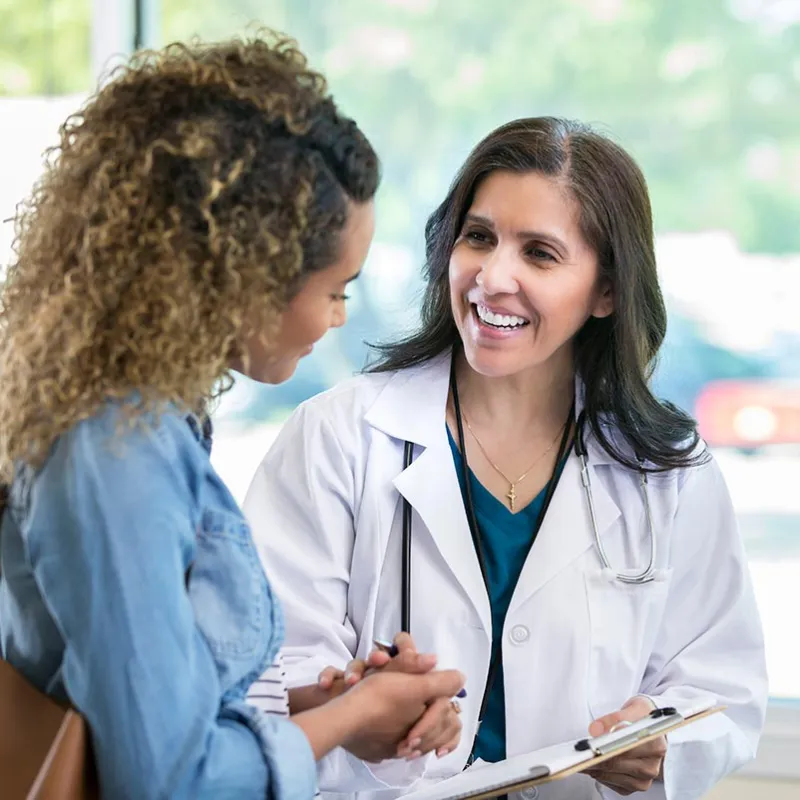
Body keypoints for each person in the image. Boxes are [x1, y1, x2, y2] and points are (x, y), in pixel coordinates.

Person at [244, 116, 768, 799]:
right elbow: (261, 674)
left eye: (540, 254)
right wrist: (351, 705)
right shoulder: (337, 438)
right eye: (479, 237)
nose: (493, 277)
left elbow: (723, 687)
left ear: (607, 290)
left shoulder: (668, 470)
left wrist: (659, 738)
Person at [0, 32, 465, 800]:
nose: (340, 317)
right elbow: (174, 780)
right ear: (245, 278)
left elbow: (157, 706)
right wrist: (346, 720)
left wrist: (329, 708)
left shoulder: (150, 423)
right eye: (335, 288)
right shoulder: (114, 455)